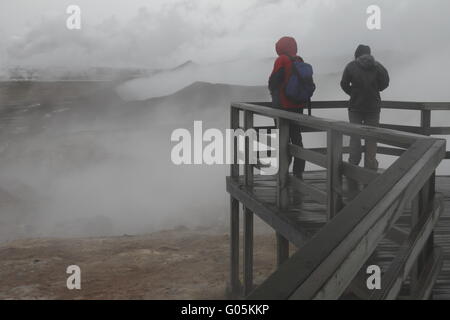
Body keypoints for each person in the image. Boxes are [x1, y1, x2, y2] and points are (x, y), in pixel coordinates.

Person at [269, 36, 315, 179]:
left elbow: (274, 82)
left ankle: (283, 171)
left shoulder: (281, 60)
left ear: (281, 47)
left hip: (282, 106)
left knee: (283, 139)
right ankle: (298, 171)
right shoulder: (299, 60)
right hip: (298, 105)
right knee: (296, 138)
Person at [340, 44, 390, 171]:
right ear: (369, 53)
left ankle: (353, 166)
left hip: (355, 107)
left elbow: (344, 83)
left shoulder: (351, 66)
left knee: (355, 137)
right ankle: (370, 168)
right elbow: (385, 82)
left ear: (357, 54)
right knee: (372, 138)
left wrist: (353, 93)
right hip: (373, 108)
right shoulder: (378, 66)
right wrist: (375, 89)